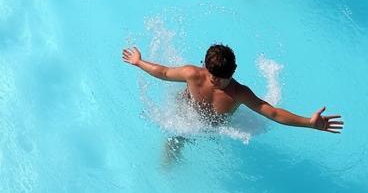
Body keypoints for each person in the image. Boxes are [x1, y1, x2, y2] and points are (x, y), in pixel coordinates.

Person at [121, 44, 342, 136]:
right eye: (212, 77)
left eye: (223, 79)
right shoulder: (192, 74)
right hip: (186, 110)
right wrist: (139, 62)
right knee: (177, 136)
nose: (217, 83)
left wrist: (309, 123)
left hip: (213, 126)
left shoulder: (239, 93)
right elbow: (164, 72)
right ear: (204, 67)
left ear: (233, 72)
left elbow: (272, 112)